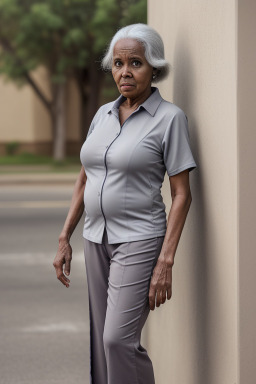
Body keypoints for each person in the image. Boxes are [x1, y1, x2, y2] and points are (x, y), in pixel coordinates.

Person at [53, 23, 197, 384]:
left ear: (154, 68)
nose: (125, 72)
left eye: (136, 63)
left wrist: (166, 260)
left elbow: (182, 194)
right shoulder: (102, 114)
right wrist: (64, 236)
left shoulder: (169, 119)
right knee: (102, 343)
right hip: (95, 238)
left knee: (117, 340)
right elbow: (85, 176)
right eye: (118, 63)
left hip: (139, 239)